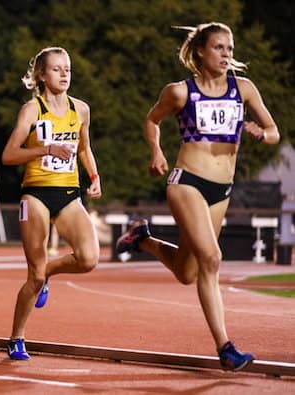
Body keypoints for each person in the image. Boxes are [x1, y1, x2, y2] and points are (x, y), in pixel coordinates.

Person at [116, 22, 279, 371]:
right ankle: (225, 347)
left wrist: (260, 134)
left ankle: (142, 239)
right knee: (212, 259)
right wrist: (156, 152)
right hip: (186, 180)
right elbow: (151, 120)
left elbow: (274, 132)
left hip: (221, 190)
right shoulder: (180, 92)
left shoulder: (244, 89)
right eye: (219, 48)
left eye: (230, 49)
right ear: (202, 52)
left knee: (188, 272)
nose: (226, 55)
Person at [1, 47, 102, 360]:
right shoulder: (32, 110)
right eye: (57, 69)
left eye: (67, 68)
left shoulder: (80, 109)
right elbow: (8, 155)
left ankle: (48, 273)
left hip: (69, 192)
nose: (64, 74)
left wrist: (94, 174)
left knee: (89, 258)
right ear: (41, 75)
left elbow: (83, 147)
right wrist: (44, 150)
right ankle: (16, 337)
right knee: (34, 274)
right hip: (36, 193)